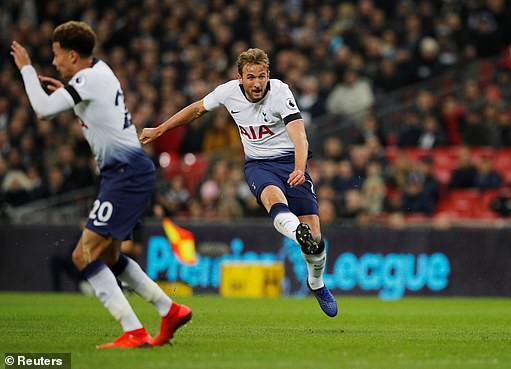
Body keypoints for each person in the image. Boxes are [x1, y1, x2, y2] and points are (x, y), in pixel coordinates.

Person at [11, 21, 191, 348]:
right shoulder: (98, 72)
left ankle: (133, 330)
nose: (54, 62)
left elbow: (42, 111)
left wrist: (25, 70)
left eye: (56, 55)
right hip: (125, 172)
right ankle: (170, 309)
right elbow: (84, 103)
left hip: (125, 173)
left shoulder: (88, 78)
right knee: (108, 257)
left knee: (83, 255)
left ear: (73, 55)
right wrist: (68, 93)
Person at [140, 48, 338, 317]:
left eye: (261, 76)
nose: (257, 83)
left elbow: (300, 136)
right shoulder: (227, 92)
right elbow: (197, 109)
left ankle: (316, 283)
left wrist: (300, 169)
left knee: (315, 239)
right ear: (240, 77)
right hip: (258, 165)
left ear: (269, 75)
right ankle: (295, 233)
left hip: (291, 163)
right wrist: (160, 129)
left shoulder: (280, 92)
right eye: (250, 77)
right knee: (273, 199)